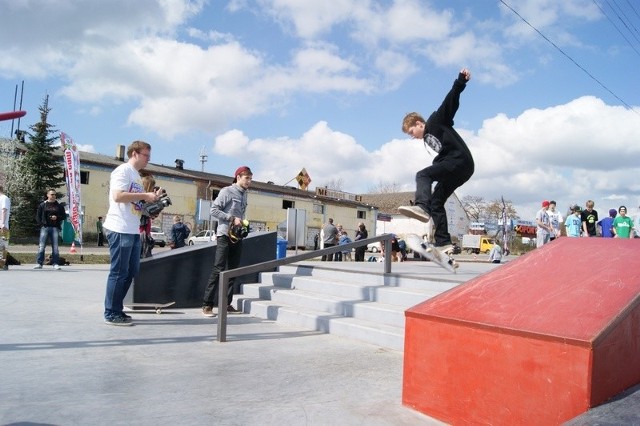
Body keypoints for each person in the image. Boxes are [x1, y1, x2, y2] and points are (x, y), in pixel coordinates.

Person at [398, 68, 474, 254]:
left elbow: (449, 103)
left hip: (460, 161)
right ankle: (443, 242)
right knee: (437, 201)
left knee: (422, 175)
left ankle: (421, 207)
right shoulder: (428, 139)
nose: (412, 137)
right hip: (459, 169)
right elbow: (442, 157)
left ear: (418, 123)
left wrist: (460, 82)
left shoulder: (435, 121)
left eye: (411, 133)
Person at [102, 140, 164, 326]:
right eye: (146, 155)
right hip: (119, 228)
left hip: (132, 229)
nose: (148, 159)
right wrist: (145, 195)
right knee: (119, 272)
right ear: (135, 153)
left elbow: (135, 205)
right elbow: (118, 196)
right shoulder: (122, 171)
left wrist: (152, 204)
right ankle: (111, 312)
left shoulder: (136, 176)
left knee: (130, 272)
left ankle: (117, 309)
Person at [202, 166, 253, 317]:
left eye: (250, 179)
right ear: (238, 177)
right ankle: (207, 305)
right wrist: (231, 218)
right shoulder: (227, 191)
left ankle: (226, 304)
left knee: (232, 270)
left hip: (237, 237)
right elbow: (213, 210)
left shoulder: (244, 195)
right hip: (224, 235)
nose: (249, 182)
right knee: (218, 269)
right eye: (247, 178)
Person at [34, 189, 67, 270]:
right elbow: (38, 216)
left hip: (55, 228)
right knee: (41, 246)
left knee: (55, 247)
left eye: (55, 194)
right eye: (52, 194)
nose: (53, 196)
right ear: (47, 195)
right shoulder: (43, 205)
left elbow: (64, 216)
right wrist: (42, 224)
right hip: (45, 227)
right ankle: (39, 263)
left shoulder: (59, 206)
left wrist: (57, 217)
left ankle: (55, 263)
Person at [0, 185, 10, 271]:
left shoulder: (4, 198)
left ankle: (2, 264)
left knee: (3, 246)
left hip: (2, 226)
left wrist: (2, 223)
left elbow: (4, 210)